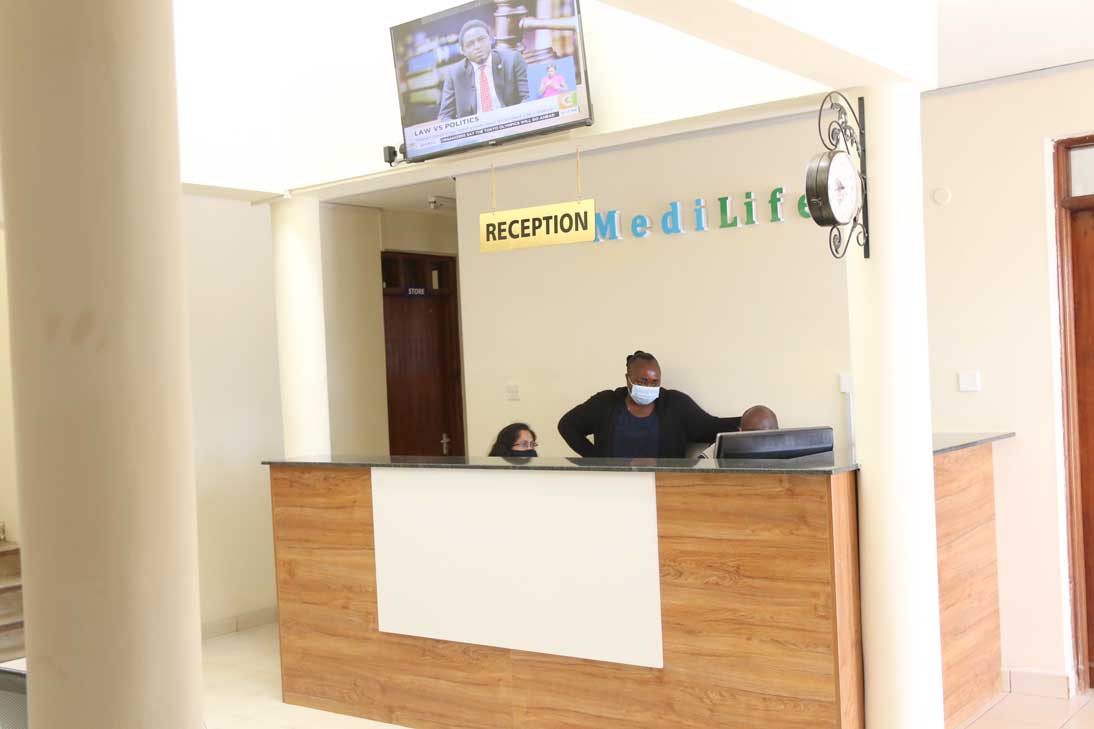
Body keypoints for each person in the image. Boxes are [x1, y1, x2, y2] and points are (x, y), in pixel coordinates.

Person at [557, 351, 741, 458]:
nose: (649, 387)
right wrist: (596, 459)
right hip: (612, 488)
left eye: (655, 382)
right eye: (642, 381)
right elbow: (567, 425)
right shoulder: (606, 403)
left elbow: (708, 427)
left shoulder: (674, 404)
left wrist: (746, 422)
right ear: (628, 379)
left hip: (662, 488)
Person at [437, 20, 529, 121]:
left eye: (481, 39)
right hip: (474, 133)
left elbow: (527, 98)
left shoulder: (512, 59)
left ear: (490, 39)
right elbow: (445, 116)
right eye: (470, 44)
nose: (477, 46)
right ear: (462, 51)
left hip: (511, 124)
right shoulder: (454, 74)